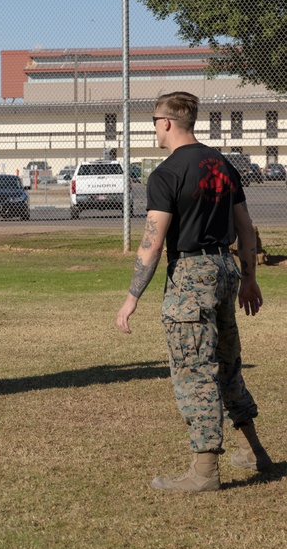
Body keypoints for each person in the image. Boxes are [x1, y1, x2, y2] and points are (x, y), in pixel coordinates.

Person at [116, 92, 272, 492]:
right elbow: (246, 227)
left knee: (194, 371)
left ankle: (204, 473)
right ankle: (253, 451)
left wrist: (132, 297)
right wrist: (250, 277)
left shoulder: (166, 174)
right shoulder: (221, 163)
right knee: (227, 364)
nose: (153, 128)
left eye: (153, 121)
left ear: (166, 123)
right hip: (225, 268)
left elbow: (152, 242)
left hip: (191, 275)